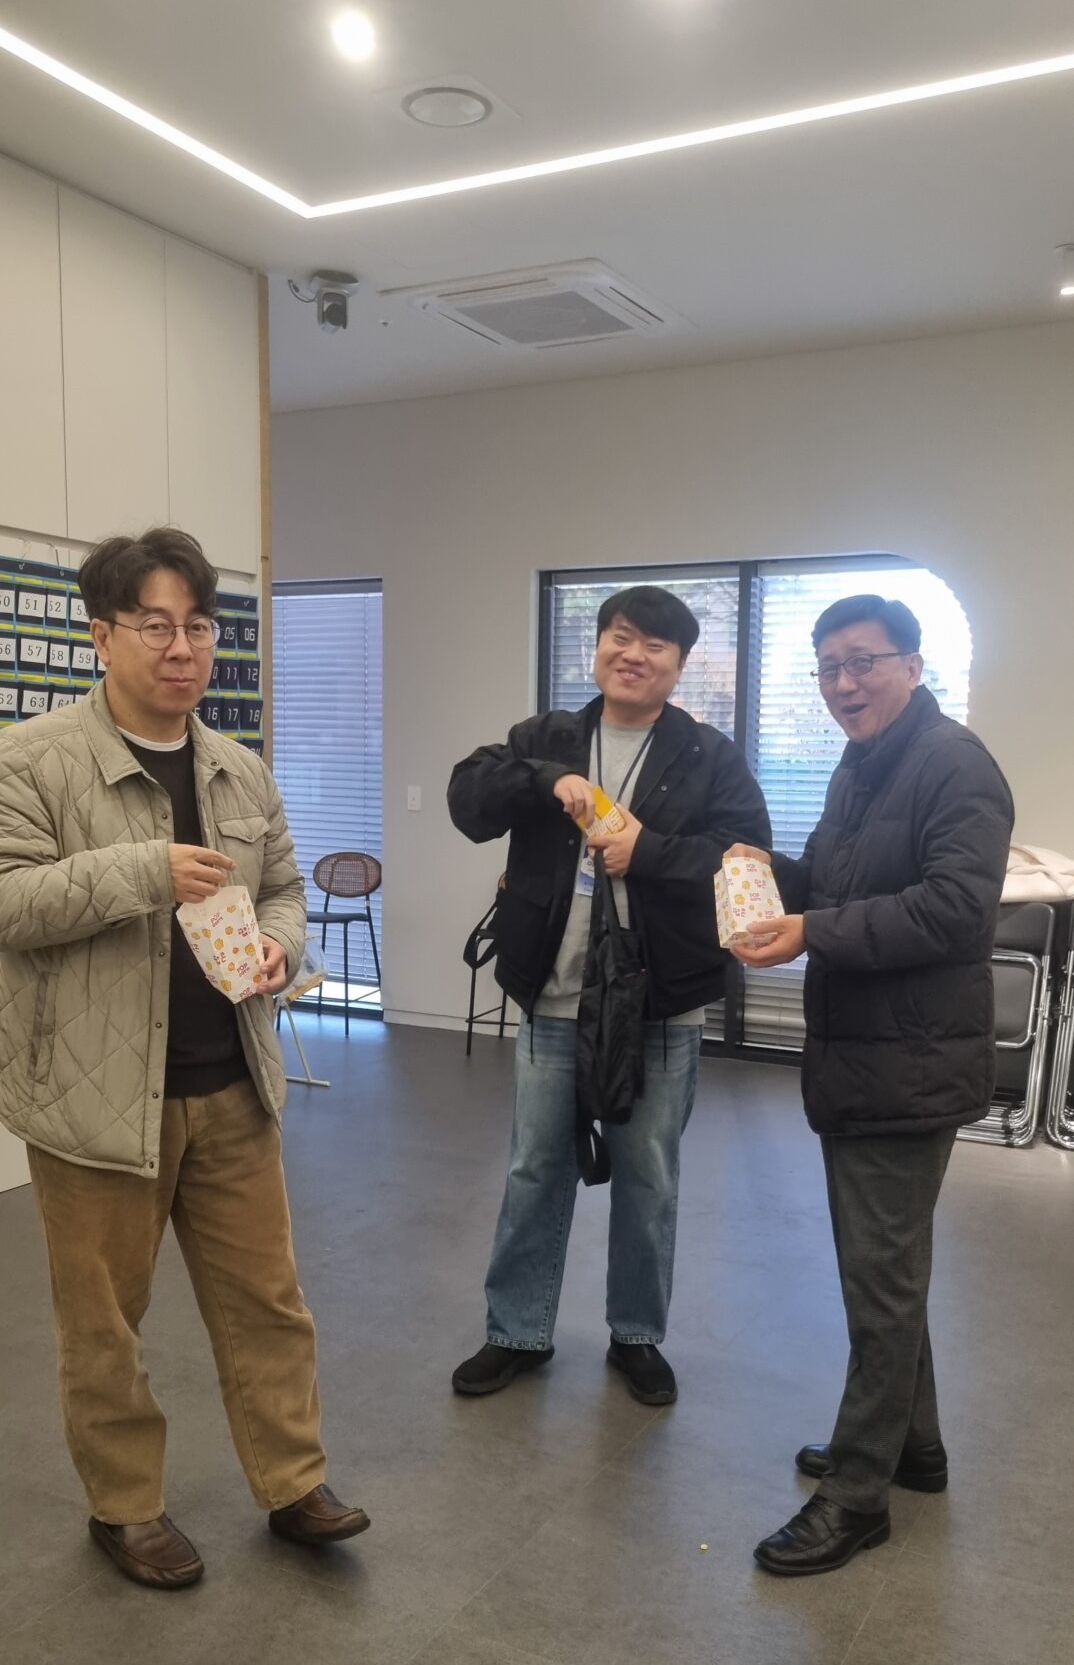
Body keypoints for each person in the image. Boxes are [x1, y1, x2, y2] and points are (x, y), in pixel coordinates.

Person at [0, 527, 369, 1590]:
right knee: (106, 1326)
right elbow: (11, 903)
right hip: (95, 1099)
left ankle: (293, 1483)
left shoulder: (238, 769)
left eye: (198, 626)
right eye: (155, 625)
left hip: (233, 1086)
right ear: (101, 635)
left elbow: (284, 888)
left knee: (269, 1304)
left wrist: (281, 947)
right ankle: (124, 1508)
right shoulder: (33, 761)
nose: (182, 648)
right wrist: (142, 871)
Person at [730, 593, 1013, 1576]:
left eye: (863, 661)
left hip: (910, 1064)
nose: (844, 684)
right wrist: (771, 872)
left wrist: (811, 929)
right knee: (885, 1272)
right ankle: (913, 1450)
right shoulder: (862, 764)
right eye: (828, 667)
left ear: (913, 665)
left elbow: (955, 910)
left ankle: (857, 1495)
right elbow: (837, 882)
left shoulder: (953, 765)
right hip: (867, 1057)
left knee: (880, 1282)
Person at [447, 585, 771, 1405]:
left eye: (655, 645)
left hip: (660, 1004)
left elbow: (748, 859)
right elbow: (468, 799)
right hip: (554, 996)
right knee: (534, 1170)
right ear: (596, 648)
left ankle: (636, 1336)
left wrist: (648, 851)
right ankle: (516, 1331)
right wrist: (549, 779)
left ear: (679, 665)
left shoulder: (708, 756)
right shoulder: (549, 736)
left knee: (648, 1177)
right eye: (620, 636)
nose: (634, 655)